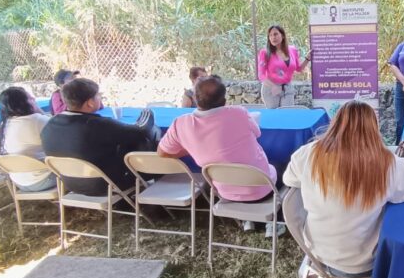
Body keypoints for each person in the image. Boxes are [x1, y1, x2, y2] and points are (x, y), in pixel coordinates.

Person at [283, 100, 404, 276]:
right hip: (366, 262)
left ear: (335, 123)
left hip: (317, 253)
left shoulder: (308, 153)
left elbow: (288, 179)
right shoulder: (386, 164)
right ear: (373, 128)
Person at [157, 75, 279, 235]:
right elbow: (257, 133)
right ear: (224, 99)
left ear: (194, 98)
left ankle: (248, 220)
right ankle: (275, 222)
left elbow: (163, 152)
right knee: (279, 162)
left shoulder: (181, 123)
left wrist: (190, 147)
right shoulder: (239, 113)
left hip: (225, 193)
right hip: (262, 190)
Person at [41, 78, 159, 195]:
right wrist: (148, 111)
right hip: (105, 185)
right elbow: (141, 130)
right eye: (98, 95)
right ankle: (161, 182)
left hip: (71, 184)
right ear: (90, 103)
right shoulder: (96, 125)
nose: (100, 98)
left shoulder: (49, 125)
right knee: (149, 134)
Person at [0, 86, 56, 192]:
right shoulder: (38, 120)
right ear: (24, 103)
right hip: (44, 179)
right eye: (30, 98)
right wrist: (38, 110)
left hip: (18, 182)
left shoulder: (5, 124)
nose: (34, 99)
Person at [257, 25, 311, 108]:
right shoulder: (265, 53)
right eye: (270, 35)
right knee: (275, 117)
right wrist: (273, 86)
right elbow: (261, 75)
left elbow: (298, 68)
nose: (273, 37)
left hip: (287, 87)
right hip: (271, 89)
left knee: (287, 114)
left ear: (282, 35)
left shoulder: (292, 50)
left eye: (275, 34)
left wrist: (307, 59)